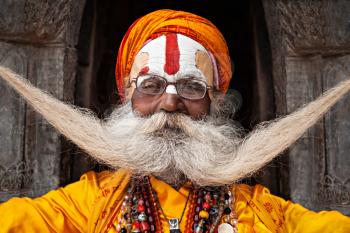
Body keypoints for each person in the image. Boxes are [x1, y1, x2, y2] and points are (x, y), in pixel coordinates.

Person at [0, 9, 349, 233]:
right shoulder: (91, 202)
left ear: (215, 104)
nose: (169, 103)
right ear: (127, 98)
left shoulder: (258, 211)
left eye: (191, 87)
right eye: (150, 85)